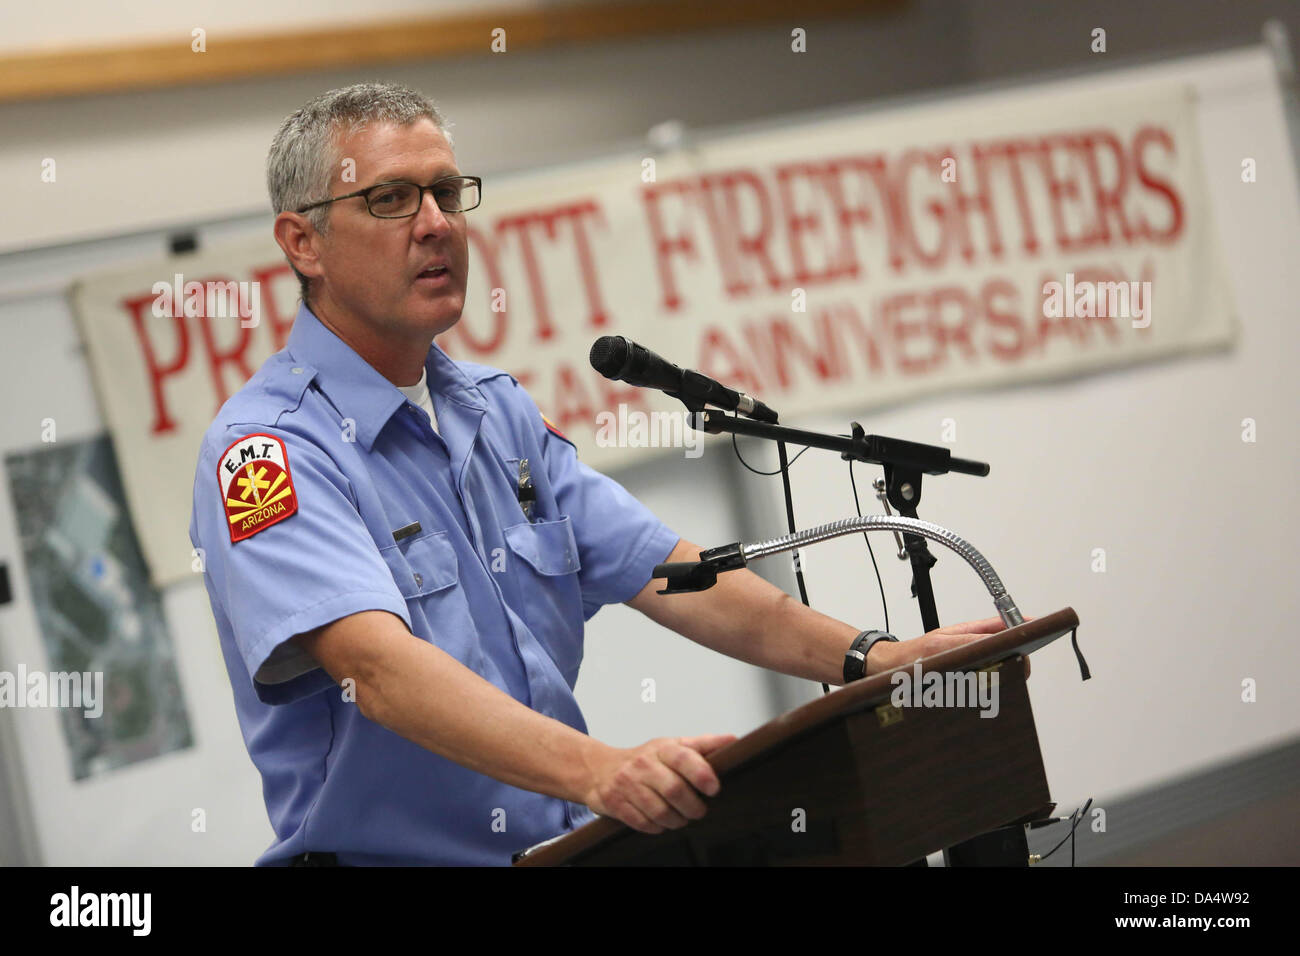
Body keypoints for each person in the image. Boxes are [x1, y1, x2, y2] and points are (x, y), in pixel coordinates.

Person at [188, 82, 1010, 866]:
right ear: (303, 243)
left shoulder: (494, 412)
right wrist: (597, 770)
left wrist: (874, 661)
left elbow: (676, 574)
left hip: (567, 851)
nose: (435, 224)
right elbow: (379, 671)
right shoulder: (271, 454)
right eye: (391, 198)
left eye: (446, 191)